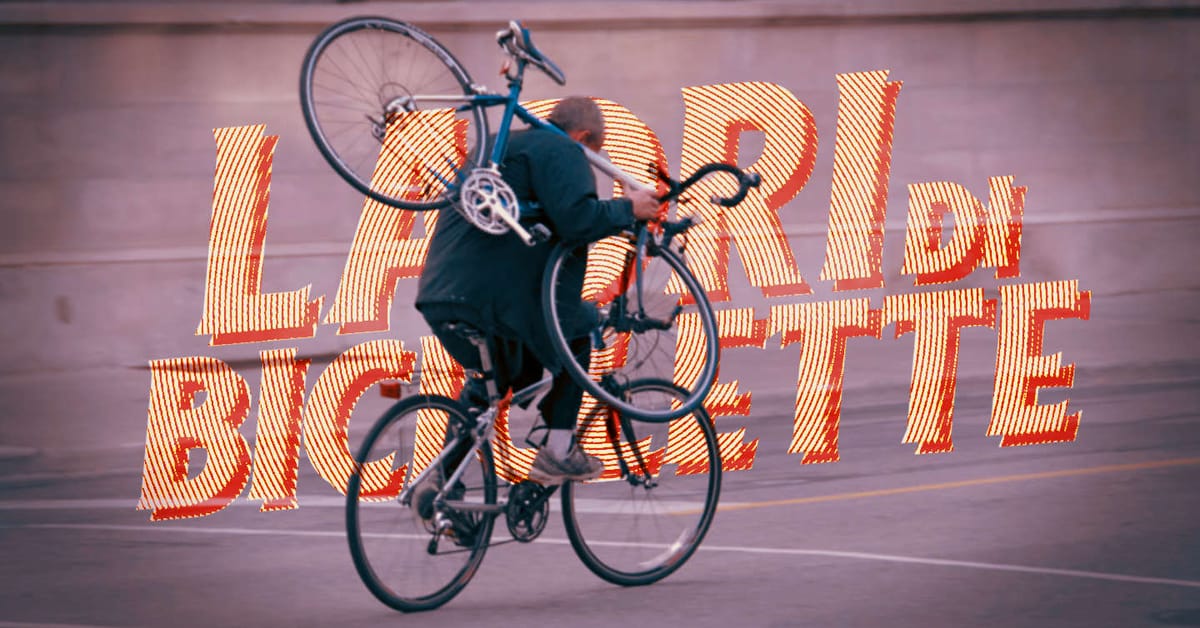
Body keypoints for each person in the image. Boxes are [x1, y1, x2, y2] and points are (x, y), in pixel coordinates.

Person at [414, 96, 660, 490]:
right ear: (583, 137)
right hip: (497, 297)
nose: (592, 161)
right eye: (594, 151)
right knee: (580, 326)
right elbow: (577, 220)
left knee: (492, 382)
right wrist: (628, 209)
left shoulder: (495, 148)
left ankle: (441, 488)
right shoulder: (563, 149)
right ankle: (558, 447)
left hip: (441, 293)